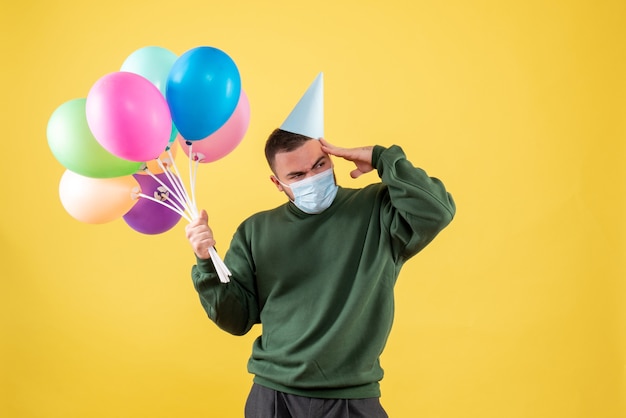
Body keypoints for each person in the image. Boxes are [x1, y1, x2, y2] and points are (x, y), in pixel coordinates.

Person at [185, 128, 456, 417]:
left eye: (319, 165)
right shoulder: (254, 231)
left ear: (331, 158)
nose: (312, 179)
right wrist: (206, 262)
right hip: (274, 397)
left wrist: (382, 157)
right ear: (277, 183)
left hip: (351, 397)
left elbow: (437, 211)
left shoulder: (378, 209)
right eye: (297, 176)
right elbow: (236, 319)